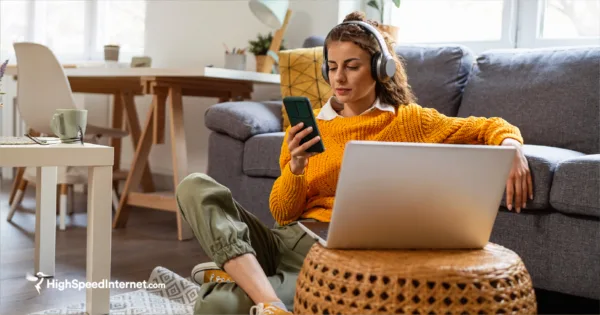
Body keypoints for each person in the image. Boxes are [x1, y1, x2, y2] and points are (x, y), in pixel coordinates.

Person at [175, 11, 533, 315]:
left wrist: (512, 146)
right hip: (283, 239)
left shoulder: (408, 122)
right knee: (194, 185)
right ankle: (266, 296)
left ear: (380, 68)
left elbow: (486, 127)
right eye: (332, 67)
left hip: (324, 260)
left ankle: (238, 273)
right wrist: (296, 168)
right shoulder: (310, 124)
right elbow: (282, 213)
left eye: (351, 66)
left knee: (220, 305)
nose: (339, 79)